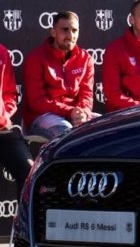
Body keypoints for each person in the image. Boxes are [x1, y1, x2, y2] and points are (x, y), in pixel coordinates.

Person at [22, 11, 97, 139]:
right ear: (53, 32)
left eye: (74, 30)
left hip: (76, 114)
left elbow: (87, 93)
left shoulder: (85, 58)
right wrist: (69, 111)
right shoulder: (36, 58)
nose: (70, 35)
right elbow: (37, 101)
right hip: (44, 116)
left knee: (109, 131)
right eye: (65, 30)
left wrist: (82, 112)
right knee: (68, 136)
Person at [0, 43, 33, 195]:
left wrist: (4, 115)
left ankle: (23, 218)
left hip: (2, 129)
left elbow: (10, 94)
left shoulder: (2, 52)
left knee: (29, 171)